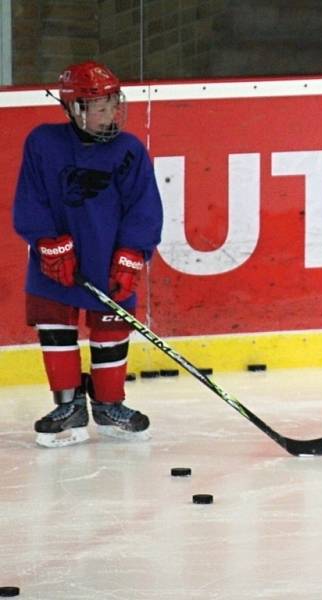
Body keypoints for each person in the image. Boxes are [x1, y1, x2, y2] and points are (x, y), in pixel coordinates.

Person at [12, 61, 163, 448]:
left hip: (107, 254)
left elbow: (144, 208)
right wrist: (46, 241)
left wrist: (131, 254)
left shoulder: (129, 150)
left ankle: (110, 404)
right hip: (57, 258)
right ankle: (68, 406)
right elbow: (30, 198)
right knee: (55, 325)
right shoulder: (43, 142)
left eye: (114, 103)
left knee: (111, 327)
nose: (111, 114)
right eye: (100, 106)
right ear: (75, 108)